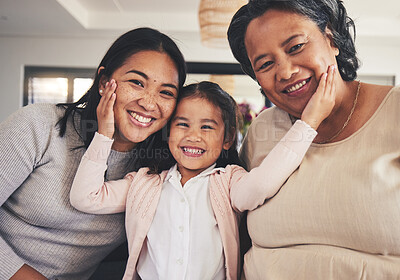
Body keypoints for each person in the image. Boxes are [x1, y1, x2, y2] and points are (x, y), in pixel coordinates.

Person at [69, 78, 335, 280]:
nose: (193, 136)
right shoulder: (143, 183)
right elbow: (85, 197)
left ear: (228, 138)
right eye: (182, 124)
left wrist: (308, 123)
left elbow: (262, 185)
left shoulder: (228, 181)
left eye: (207, 127)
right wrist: (104, 134)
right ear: (167, 132)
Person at [228, 0, 400, 278]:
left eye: (295, 47)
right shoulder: (262, 129)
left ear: (331, 38)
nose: (285, 72)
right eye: (265, 63)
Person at [0, 27, 186, 280]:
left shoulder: (161, 168)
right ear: (103, 82)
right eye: (136, 82)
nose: (149, 103)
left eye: (166, 92)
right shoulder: (39, 125)